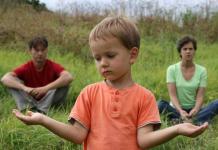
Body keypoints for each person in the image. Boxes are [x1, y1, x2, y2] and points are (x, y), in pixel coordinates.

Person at [12, 17, 208, 150]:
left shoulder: (144, 97)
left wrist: (177, 129)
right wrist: (43, 120)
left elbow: (144, 139)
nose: (103, 62)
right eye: (97, 58)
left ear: (132, 55)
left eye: (110, 55)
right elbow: (77, 135)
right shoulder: (90, 93)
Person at [1, 36, 73, 114]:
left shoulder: (52, 65)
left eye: (43, 50)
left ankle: (44, 110)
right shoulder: (26, 67)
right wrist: (25, 88)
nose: (40, 53)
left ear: (47, 50)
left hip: (49, 100)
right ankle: (27, 108)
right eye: (37, 50)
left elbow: (68, 77)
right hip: (30, 99)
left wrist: (45, 88)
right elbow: (5, 78)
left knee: (64, 83)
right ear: (30, 51)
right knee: (13, 82)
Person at [158, 35, 218, 125]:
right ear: (180, 52)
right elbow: (172, 95)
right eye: (185, 49)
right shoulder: (172, 69)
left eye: (191, 49)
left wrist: (196, 109)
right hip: (177, 109)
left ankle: (183, 121)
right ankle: (195, 121)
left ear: (194, 51)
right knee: (160, 104)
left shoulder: (202, 71)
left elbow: (200, 96)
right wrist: (181, 111)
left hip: (194, 111)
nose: (188, 51)